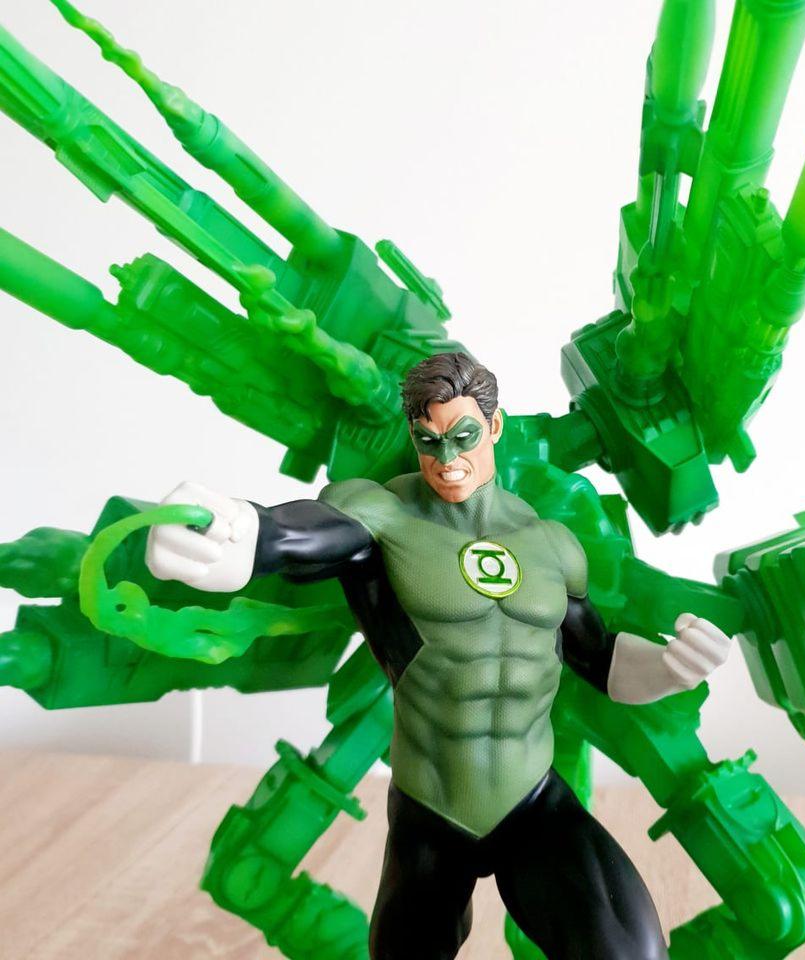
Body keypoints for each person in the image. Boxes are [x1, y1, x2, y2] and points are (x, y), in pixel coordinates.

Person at [147, 352, 731, 960]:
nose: (447, 460)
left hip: (532, 800)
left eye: (463, 436)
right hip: (432, 811)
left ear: (495, 426)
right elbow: (316, 529)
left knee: (631, 953)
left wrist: (669, 668)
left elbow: (600, 660)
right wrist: (247, 531)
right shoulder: (385, 515)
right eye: (429, 442)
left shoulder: (552, 545)